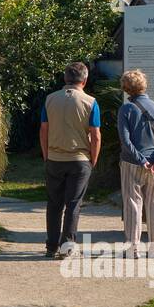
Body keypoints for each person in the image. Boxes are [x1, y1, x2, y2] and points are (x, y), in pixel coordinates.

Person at [39, 62, 101, 259]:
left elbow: (44, 129)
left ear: (65, 78)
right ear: (85, 79)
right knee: (73, 204)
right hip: (79, 158)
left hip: (54, 157)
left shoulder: (50, 99)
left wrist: (46, 154)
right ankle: (68, 246)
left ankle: (51, 246)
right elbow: (96, 134)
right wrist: (94, 159)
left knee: (54, 203)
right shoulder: (90, 102)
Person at [117, 68, 154, 259]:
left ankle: (133, 248)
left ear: (126, 89)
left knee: (133, 205)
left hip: (132, 163)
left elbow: (125, 139)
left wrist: (141, 160)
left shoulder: (126, 109)